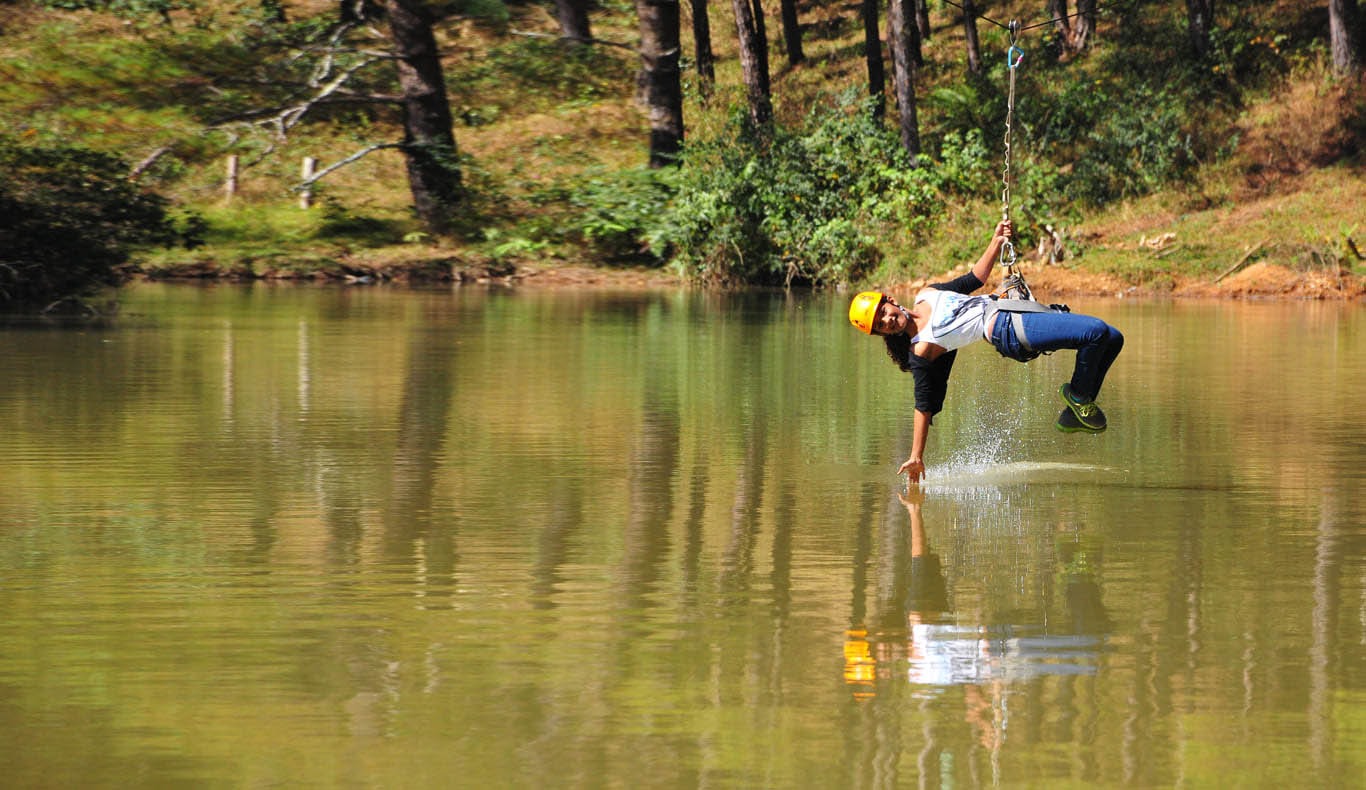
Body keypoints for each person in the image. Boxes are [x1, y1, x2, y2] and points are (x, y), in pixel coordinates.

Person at [848, 220, 1123, 483]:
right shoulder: (921, 348)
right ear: (883, 334)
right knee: (1095, 332)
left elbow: (975, 279)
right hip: (1005, 329)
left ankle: (1072, 414)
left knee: (1113, 338)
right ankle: (1077, 396)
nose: (887, 321)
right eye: (880, 326)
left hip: (1008, 306)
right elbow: (923, 405)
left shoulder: (927, 293)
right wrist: (915, 456)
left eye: (883, 313)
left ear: (891, 301)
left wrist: (996, 240)